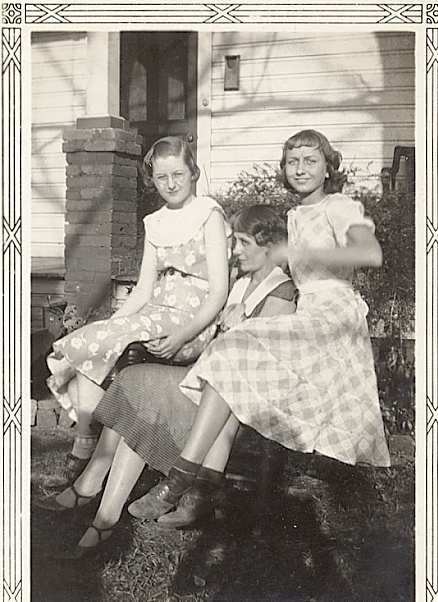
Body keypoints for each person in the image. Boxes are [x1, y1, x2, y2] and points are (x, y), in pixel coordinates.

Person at [129, 128, 391, 528]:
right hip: (307, 313)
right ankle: (187, 483)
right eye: (292, 161)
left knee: (233, 351)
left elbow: (371, 254)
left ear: (327, 168)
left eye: (310, 160)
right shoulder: (295, 214)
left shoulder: (340, 206)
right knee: (228, 358)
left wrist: (297, 251)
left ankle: (179, 483)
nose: (300, 169)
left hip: (334, 316)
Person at [36, 205, 298, 559]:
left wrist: (247, 325)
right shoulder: (242, 285)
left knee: (144, 396)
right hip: (204, 381)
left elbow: (266, 363)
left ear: (268, 246)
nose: (234, 251)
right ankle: (101, 512)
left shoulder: (281, 291)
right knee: (134, 381)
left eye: (242, 243)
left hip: (229, 402)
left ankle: (97, 507)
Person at [45, 136, 230, 487]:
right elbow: (144, 290)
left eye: (178, 174)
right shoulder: (155, 222)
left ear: (194, 173)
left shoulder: (208, 214)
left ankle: (86, 453)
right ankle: (85, 441)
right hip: (157, 314)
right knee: (93, 341)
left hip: (192, 323)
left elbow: (219, 292)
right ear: (153, 181)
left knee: (101, 341)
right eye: (162, 178)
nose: (171, 184)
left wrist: (182, 335)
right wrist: (113, 326)